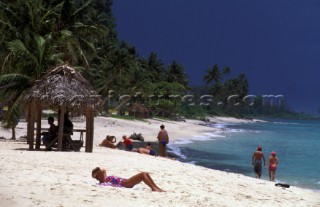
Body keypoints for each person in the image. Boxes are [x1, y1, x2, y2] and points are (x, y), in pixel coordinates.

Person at [91, 167, 165, 192]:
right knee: (142, 174)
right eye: (99, 172)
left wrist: (98, 171)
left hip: (126, 181)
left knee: (145, 173)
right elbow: (103, 183)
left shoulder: (105, 177)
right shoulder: (102, 181)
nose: (102, 171)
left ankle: (157, 188)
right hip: (124, 183)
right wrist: (95, 175)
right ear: (98, 175)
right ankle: (153, 188)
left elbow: (103, 170)